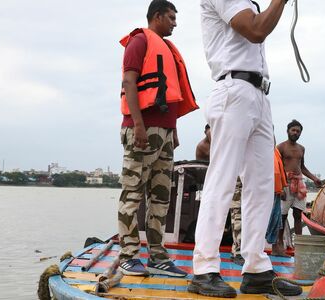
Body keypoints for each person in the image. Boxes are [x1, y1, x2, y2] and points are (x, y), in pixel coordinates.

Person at [190, 0, 302, 297]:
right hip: (234, 89)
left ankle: (256, 267)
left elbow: (258, 25)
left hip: (257, 94)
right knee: (222, 179)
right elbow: (256, 30)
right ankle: (203, 269)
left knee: (262, 185)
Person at [116, 0, 197, 278]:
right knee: (133, 193)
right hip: (142, 130)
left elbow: (169, 95)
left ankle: (157, 255)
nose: (175, 22)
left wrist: (173, 130)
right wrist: (138, 125)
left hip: (164, 133)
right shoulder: (139, 41)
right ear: (157, 16)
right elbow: (129, 82)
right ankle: (128, 254)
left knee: (161, 197)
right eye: (171, 17)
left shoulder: (169, 50)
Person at [195, 124, 245, 266]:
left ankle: (238, 250)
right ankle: (207, 250)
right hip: (216, 184)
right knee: (213, 216)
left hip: (234, 180)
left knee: (238, 214)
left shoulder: (228, 141)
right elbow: (201, 170)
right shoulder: (202, 147)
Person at [277, 119, 322, 252]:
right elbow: (277, 168)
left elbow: (302, 167)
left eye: (298, 131)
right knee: (283, 215)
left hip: (299, 183)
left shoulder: (301, 148)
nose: (295, 133)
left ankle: (300, 244)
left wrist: (314, 179)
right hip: (285, 183)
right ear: (288, 131)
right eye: (293, 130)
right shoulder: (281, 147)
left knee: (298, 214)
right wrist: (280, 188)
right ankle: (280, 242)